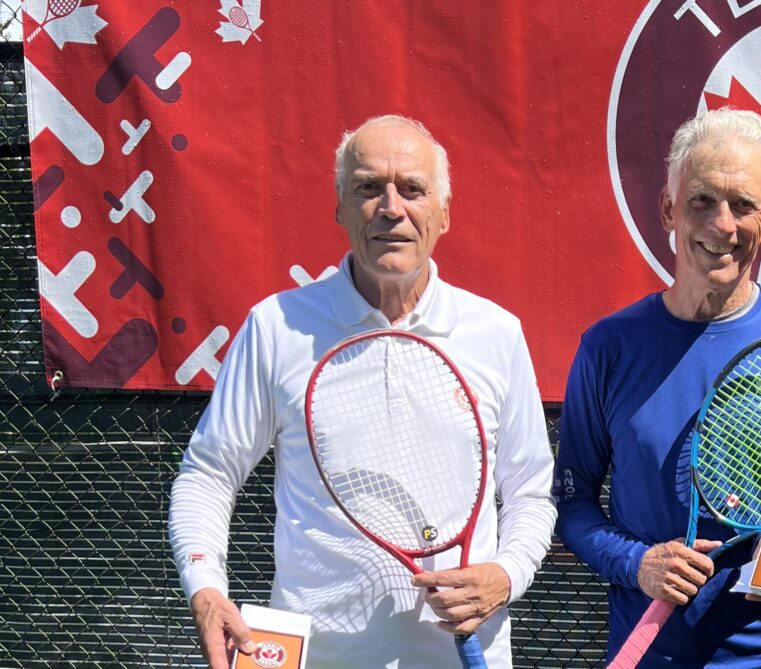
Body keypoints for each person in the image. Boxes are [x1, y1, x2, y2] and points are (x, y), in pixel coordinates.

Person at [168, 115, 556, 669]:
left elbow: (530, 493)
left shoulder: (495, 333)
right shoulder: (276, 327)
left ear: (444, 214)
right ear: (340, 209)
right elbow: (208, 475)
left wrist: (506, 575)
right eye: (368, 187)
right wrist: (205, 586)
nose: (391, 208)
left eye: (413, 190)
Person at [553, 108, 761, 667]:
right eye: (701, 200)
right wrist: (637, 563)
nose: (722, 225)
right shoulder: (608, 345)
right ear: (669, 209)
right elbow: (573, 504)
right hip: (646, 654)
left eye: (743, 205)